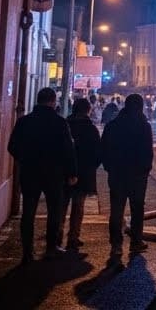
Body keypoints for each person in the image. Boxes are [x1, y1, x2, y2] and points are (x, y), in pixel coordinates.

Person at [7, 88, 78, 266]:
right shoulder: (59, 122)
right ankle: (51, 248)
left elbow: (12, 146)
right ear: (53, 101)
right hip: (54, 173)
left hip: (30, 171)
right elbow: (68, 150)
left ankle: (27, 251)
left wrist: (24, 158)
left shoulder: (24, 122)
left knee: (28, 211)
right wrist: (71, 172)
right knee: (54, 210)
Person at [101, 93, 154, 257]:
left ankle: (116, 245)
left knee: (117, 210)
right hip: (138, 174)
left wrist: (109, 167)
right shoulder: (144, 126)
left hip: (117, 173)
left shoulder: (113, 125)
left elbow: (104, 149)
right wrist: (145, 169)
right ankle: (136, 242)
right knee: (137, 209)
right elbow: (148, 151)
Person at [63, 97, 103, 251]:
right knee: (78, 207)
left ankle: (56, 236)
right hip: (84, 172)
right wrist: (92, 166)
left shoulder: (65, 125)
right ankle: (73, 237)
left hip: (63, 172)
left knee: (61, 205)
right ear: (88, 110)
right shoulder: (90, 129)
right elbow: (98, 152)